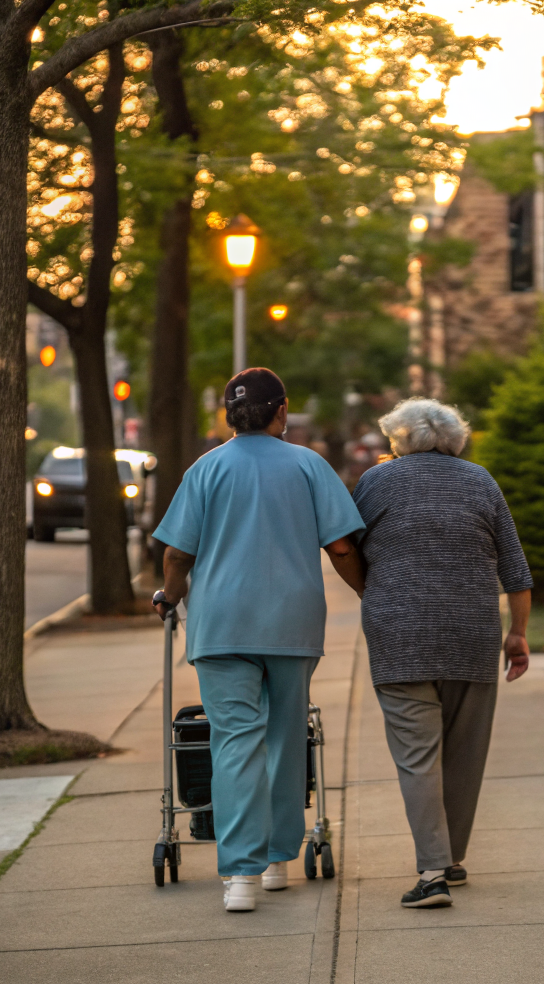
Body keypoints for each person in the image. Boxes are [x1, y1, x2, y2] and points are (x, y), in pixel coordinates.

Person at [151, 368, 365, 913]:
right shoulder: (309, 466)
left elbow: (178, 555)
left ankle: (240, 876)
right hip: (292, 624)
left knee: (234, 742)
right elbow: (341, 548)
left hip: (221, 626)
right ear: (282, 410)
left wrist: (170, 596)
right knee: (286, 737)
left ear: (229, 415)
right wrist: (372, 594)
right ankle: (276, 862)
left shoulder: (205, 469)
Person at [351, 398, 533, 909]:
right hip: (472, 634)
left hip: (400, 634)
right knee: (464, 753)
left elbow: (347, 547)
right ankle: (449, 857)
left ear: (400, 440)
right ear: (456, 439)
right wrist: (517, 635)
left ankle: (431, 872)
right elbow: (515, 570)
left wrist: (378, 591)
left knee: (417, 757)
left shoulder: (377, 482)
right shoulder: (481, 482)